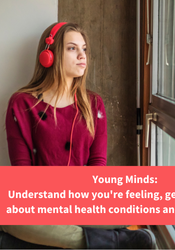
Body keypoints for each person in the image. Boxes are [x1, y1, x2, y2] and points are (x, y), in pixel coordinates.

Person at [1, 22, 156, 249]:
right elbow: (22, 173)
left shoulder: (93, 104)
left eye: (84, 49)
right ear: (49, 55)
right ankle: (113, 241)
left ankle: (51, 236)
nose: (82, 55)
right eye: (72, 48)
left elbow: (97, 164)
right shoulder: (22, 103)